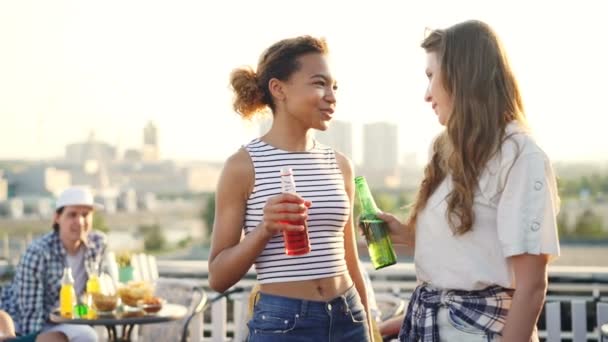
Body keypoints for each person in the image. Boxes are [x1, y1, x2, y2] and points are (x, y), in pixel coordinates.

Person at [377, 20, 560, 341]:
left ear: (462, 76)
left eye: (431, 76)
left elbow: (531, 287)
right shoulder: (444, 149)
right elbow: (469, 254)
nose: (426, 94)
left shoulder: (520, 156)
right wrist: (405, 234)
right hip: (427, 327)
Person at [208, 35, 372, 341]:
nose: (331, 96)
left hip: (349, 317)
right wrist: (264, 229)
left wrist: (369, 328)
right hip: (282, 324)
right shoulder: (242, 166)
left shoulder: (340, 164)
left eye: (334, 86)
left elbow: (350, 260)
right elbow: (218, 277)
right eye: (319, 83)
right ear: (278, 89)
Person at [0, 187, 106, 342]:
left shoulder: (98, 244)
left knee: (88, 334)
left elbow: (90, 293)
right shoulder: (38, 252)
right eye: (72, 214)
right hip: (22, 321)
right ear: (57, 217)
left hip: (64, 318)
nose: (80, 221)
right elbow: (30, 313)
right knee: (84, 336)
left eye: (85, 214)